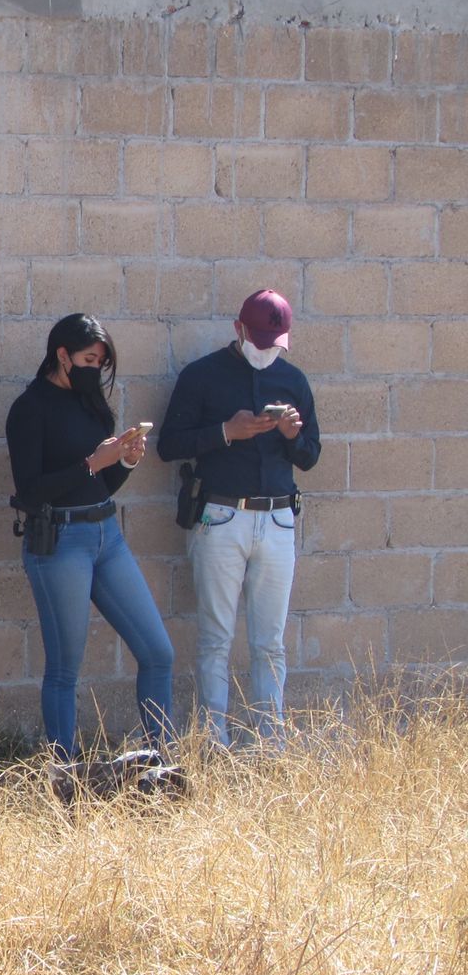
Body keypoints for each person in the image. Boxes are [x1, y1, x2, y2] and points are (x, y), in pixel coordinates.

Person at [5, 313, 175, 763]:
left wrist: (125, 461)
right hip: (59, 543)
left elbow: (100, 485)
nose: (94, 369)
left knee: (158, 652)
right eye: (87, 358)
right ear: (61, 355)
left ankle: (163, 764)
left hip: (106, 535)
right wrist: (91, 464)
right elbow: (29, 490)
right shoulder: (29, 408)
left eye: (100, 361)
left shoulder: (91, 401)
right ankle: (66, 774)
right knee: (65, 670)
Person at [158, 289, 321, 748]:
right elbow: (170, 445)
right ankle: (214, 740)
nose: (266, 350)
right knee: (216, 638)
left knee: (270, 642)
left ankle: (271, 743)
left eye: (275, 342)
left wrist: (291, 435)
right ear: (239, 330)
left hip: (278, 520)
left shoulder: (293, 380)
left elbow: (310, 456)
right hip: (222, 516)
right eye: (259, 339)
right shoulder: (202, 377)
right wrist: (227, 432)